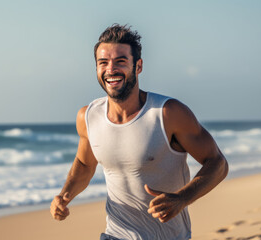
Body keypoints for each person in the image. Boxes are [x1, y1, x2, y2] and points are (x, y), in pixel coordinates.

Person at [50, 24, 228, 240]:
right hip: (115, 234)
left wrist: (182, 198)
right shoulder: (88, 117)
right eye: (103, 62)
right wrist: (64, 195)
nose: (111, 69)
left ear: (138, 66)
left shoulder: (168, 114)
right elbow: (85, 164)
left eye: (120, 62)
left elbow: (218, 163)